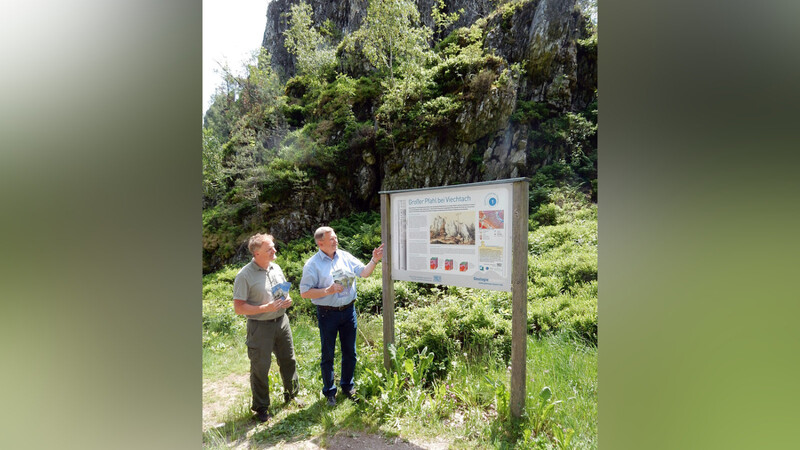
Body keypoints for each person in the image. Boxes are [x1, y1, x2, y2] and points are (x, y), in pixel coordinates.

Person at [300, 226, 384, 406]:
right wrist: (327, 290)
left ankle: (347, 386)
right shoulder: (312, 264)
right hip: (327, 314)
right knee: (328, 354)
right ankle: (330, 392)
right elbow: (305, 293)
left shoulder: (345, 256)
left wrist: (374, 260)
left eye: (336, 238)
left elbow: (364, 273)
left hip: (348, 311)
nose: (335, 241)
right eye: (331, 239)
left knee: (350, 352)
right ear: (320, 243)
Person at [232, 233, 301, 422]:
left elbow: (282, 294)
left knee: (289, 360)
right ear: (257, 254)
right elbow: (238, 308)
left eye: (273, 247)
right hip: (259, 327)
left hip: (282, 322)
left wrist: (287, 301)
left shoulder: (276, 268)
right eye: (269, 249)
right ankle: (261, 408)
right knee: (260, 367)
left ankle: (292, 395)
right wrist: (265, 308)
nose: (274, 250)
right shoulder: (244, 275)